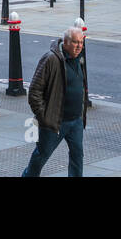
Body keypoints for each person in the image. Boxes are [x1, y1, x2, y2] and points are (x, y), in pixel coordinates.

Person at [22, 27, 88, 177]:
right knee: (42, 155)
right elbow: (34, 91)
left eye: (81, 43)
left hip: (76, 120)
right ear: (65, 42)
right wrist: (45, 116)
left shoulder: (79, 58)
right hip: (56, 122)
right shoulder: (51, 59)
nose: (79, 46)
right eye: (75, 43)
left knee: (77, 157)